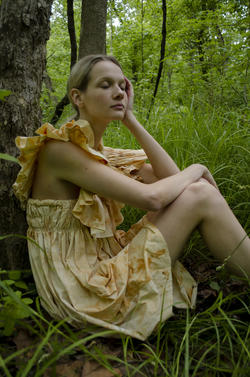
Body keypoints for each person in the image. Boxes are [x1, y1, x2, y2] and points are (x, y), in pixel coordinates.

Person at [13, 54, 250, 340]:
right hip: (84, 294)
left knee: (194, 190)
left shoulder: (101, 152)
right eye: (104, 85)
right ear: (78, 97)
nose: (118, 93)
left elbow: (171, 179)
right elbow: (153, 199)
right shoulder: (60, 150)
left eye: (121, 85)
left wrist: (131, 120)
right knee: (199, 192)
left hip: (101, 267)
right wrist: (198, 168)